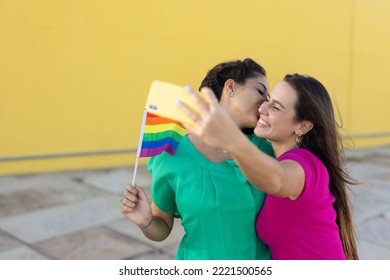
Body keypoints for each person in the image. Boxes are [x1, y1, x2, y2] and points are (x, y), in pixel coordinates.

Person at [178, 73, 359, 260]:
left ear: (302, 127)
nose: (263, 107)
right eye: (269, 99)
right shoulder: (272, 156)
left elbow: (277, 179)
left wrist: (230, 138)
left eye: (276, 107)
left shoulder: (306, 166)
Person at [121, 58, 275, 259]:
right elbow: (162, 226)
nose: (266, 104)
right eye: (260, 91)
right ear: (231, 87)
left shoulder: (269, 150)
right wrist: (145, 221)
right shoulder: (171, 155)